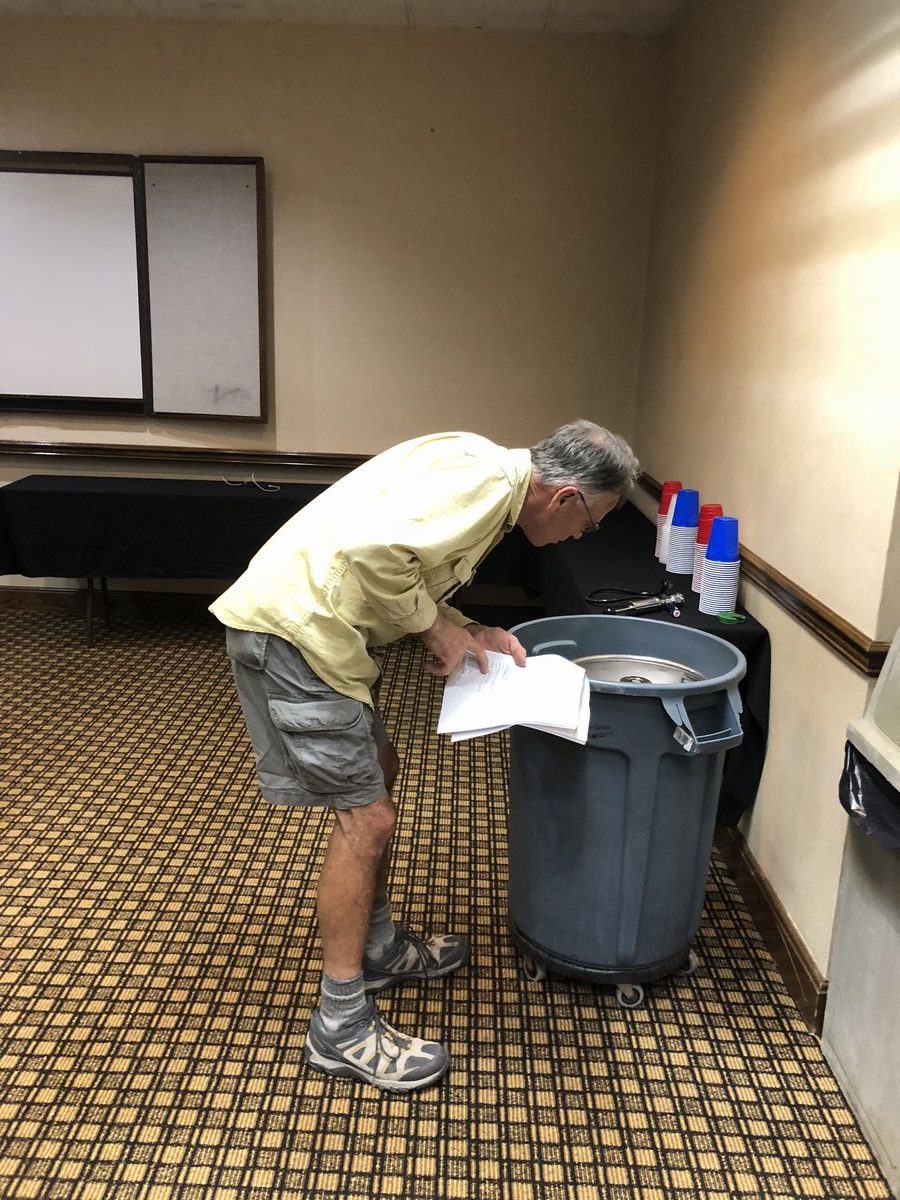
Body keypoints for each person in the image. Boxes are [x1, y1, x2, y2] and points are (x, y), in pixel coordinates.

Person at [209, 419, 639, 1092]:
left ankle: (377, 945)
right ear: (563, 497)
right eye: (588, 523)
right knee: (367, 818)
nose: (579, 537)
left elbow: (404, 562)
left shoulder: (484, 469)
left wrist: (468, 628)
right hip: (298, 635)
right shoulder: (485, 485)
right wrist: (436, 628)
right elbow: (372, 552)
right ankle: (339, 1024)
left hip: (323, 633)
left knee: (380, 773)